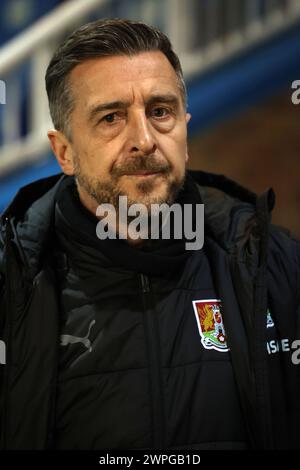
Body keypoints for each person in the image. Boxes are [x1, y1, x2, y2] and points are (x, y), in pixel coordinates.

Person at [0, 18, 299, 451]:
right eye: (110, 117)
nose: (143, 139)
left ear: (185, 129)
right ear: (64, 152)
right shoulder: (11, 282)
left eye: (160, 112)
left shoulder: (274, 263)